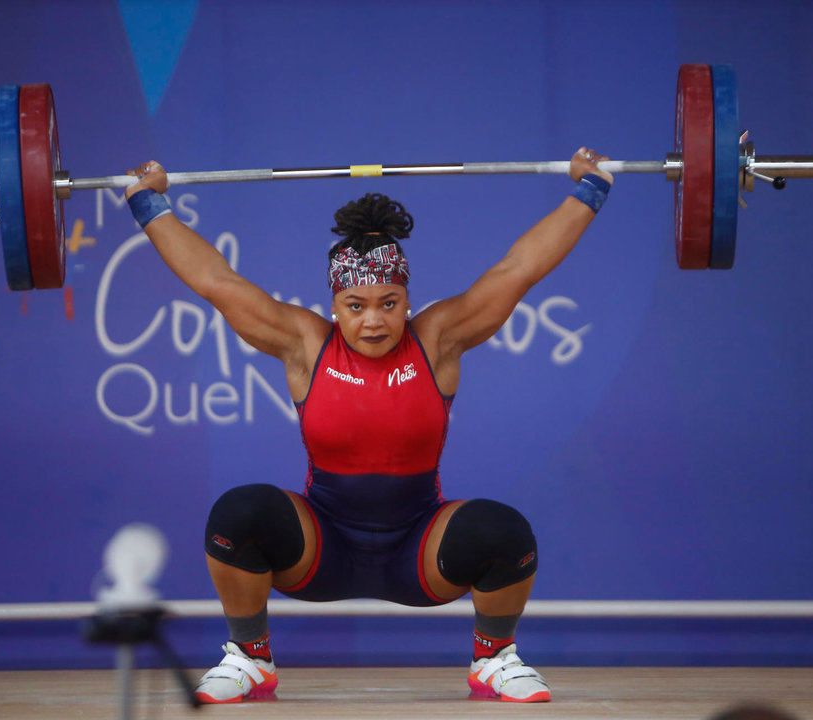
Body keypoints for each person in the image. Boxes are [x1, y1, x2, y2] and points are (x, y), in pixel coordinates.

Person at [123, 148, 613, 703]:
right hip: (320, 546)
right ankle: (249, 658)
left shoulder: (438, 339)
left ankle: (494, 658)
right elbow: (215, 281)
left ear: (408, 301)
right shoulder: (305, 345)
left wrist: (589, 190)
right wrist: (147, 201)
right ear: (334, 304)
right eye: (356, 305)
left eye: (389, 303)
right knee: (239, 513)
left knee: (504, 530)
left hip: (420, 550)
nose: (373, 319)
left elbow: (519, 269)